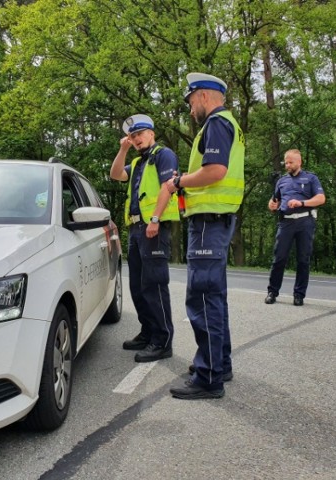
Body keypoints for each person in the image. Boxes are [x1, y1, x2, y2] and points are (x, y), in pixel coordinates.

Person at [163, 73, 245, 399]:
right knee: (215, 296)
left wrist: (180, 181)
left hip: (208, 225)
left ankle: (208, 376)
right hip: (217, 221)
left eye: (191, 99)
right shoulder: (229, 125)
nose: (190, 106)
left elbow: (215, 171)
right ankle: (219, 364)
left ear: (204, 96)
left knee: (202, 297)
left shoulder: (216, 124)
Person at [109, 114, 180, 362]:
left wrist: (155, 219)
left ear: (151, 133)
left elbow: (167, 186)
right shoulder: (138, 162)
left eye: (140, 134)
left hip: (154, 228)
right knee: (138, 287)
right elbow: (115, 174)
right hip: (137, 230)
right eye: (133, 136)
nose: (136, 139)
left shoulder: (163, 155)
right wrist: (123, 149)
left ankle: (162, 341)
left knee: (154, 285)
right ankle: (148, 332)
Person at [264, 149, 326, 306]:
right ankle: (272, 292)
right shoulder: (281, 181)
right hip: (286, 223)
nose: (288, 165)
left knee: (303, 259)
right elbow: (274, 202)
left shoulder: (311, 178)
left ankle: (299, 295)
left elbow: (321, 198)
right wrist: (271, 205)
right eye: (286, 162)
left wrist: (302, 203)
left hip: (305, 222)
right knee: (279, 258)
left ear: (299, 162)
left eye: (291, 162)